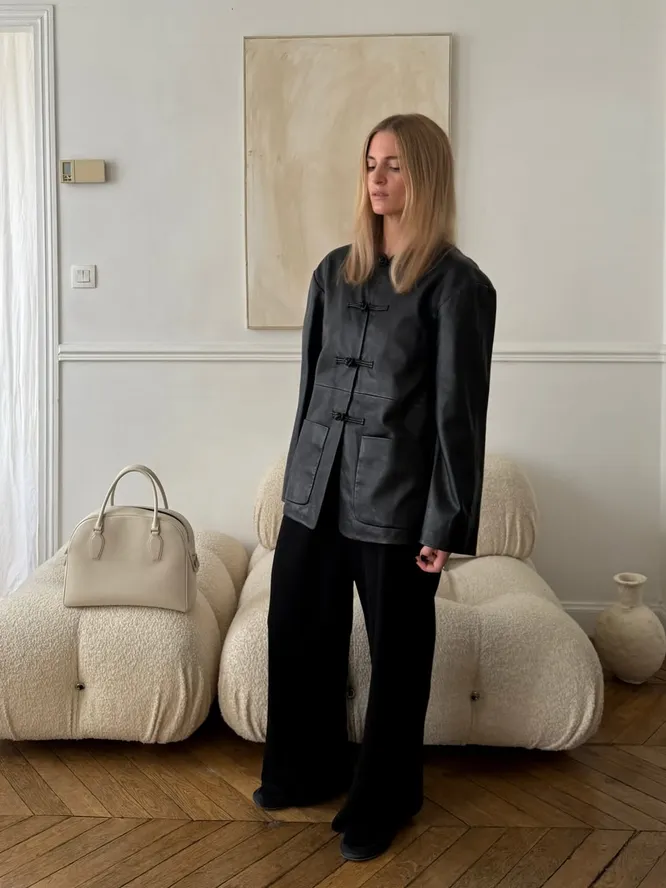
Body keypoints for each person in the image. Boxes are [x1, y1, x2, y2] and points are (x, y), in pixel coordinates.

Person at [253, 112, 497, 862]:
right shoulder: (335, 273)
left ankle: (387, 796)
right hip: (316, 488)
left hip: (396, 500)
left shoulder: (457, 285)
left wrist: (445, 521)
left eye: (394, 165)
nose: (378, 178)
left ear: (426, 176)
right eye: (371, 163)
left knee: (398, 652)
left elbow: (459, 416)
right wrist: (297, 484)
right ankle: (305, 768)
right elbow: (309, 391)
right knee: (297, 627)